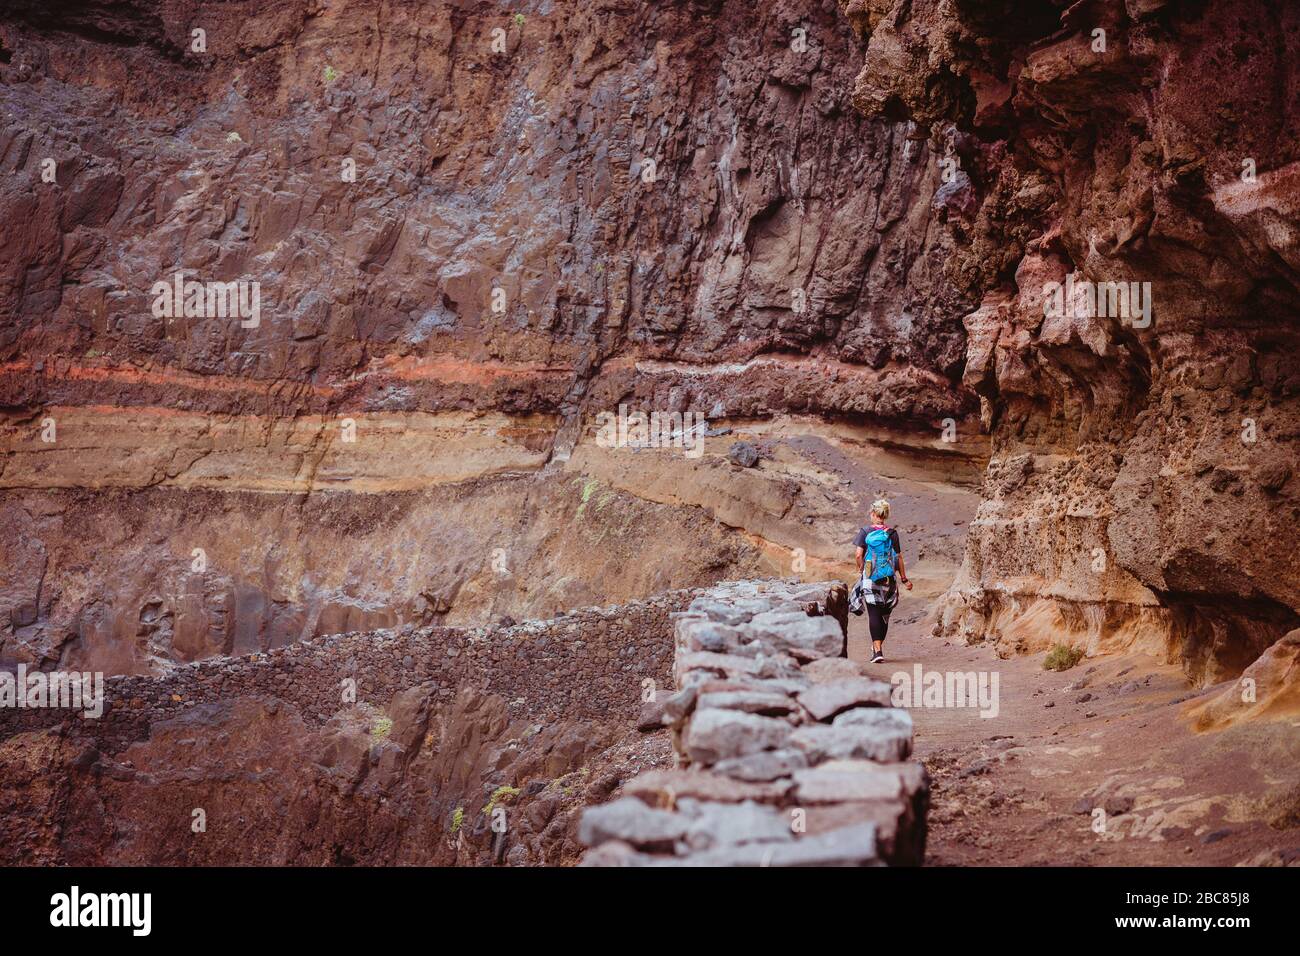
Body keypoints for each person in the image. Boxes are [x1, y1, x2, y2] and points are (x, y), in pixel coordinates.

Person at [853, 498, 911, 664]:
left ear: (873, 514)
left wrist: (861, 568)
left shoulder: (865, 531)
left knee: (873, 613)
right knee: (885, 615)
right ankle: (878, 647)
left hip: (870, 577)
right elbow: (898, 557)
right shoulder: (892, 533)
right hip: (888, 578)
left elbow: (858, 554)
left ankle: (877, 651)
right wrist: (904, 579)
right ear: (885, 515)